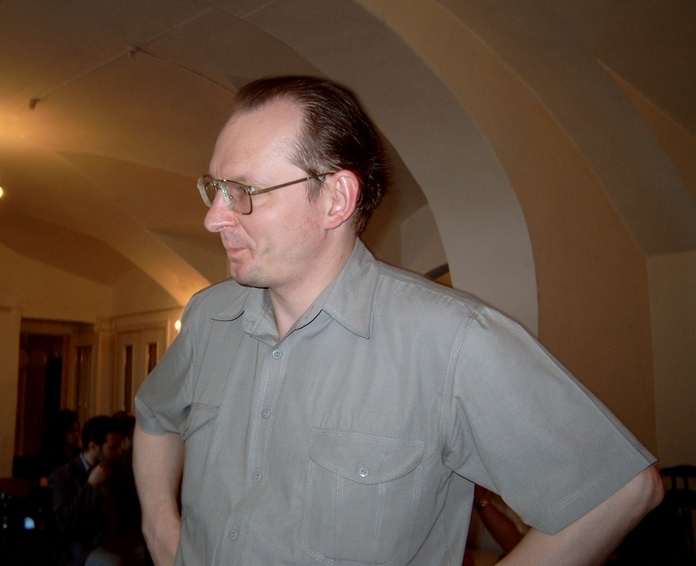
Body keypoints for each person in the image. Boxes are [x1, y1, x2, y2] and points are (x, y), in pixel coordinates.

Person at [133, 75, 663, 566]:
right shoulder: (207, 317)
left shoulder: (450, 340)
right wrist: (161, 531)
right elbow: (156, 417)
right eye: (216, 188)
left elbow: (618, 492)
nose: (214, 217)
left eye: (244, 191)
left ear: (336, 198)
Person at [49, 415, 146, 566]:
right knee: (112, 563)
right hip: (87, 546)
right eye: (113, 447)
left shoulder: (120, 470)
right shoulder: (63, 476)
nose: (120, 451)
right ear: (93, 447)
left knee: (154, 553)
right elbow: (63, 523)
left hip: (121, 540)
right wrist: (91, 486)